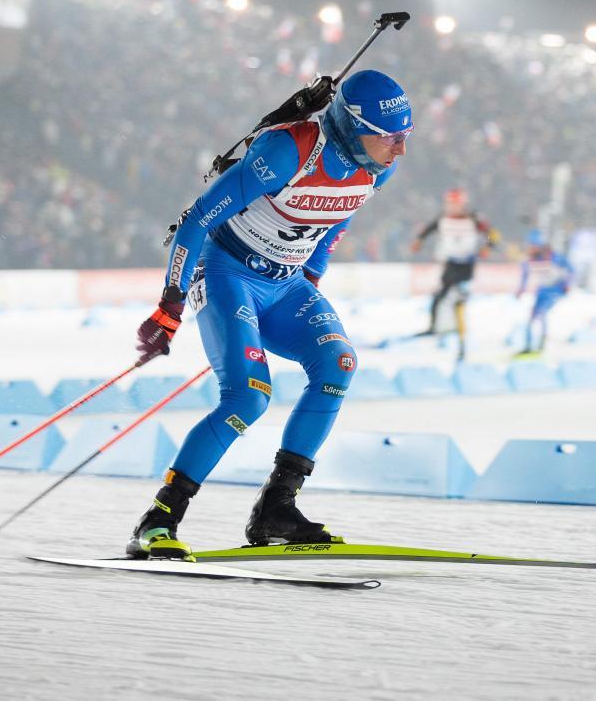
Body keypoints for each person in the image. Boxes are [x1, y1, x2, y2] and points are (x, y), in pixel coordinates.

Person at [127, 70, 413, 559]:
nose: (400, 149)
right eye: (389, 137)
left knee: (339, 365)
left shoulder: (377, 167)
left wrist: (311, 281)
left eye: (405, 136)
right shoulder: (288, 152)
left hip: (285, 285)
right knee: (248, 399)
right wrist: (169, 306)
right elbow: (197, 221)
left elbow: (335, 220)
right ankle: (158, 520)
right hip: (227, 273)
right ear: (352, 125)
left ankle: (276, 509)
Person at [410, 187, 499, 360]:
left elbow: (492, 234)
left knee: (459, 302)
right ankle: (433, 327)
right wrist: (418, 241)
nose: (451, 207)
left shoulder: (474, 218)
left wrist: (487, 247)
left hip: (467, 265)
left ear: (462, 204)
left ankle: (462, 341)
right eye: (449, 204)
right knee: (439, 296)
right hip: (451, 263)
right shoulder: (443, 218)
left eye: (454, 204)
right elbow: (426, 231)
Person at [514, 229, 574, 356]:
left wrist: (567, 284)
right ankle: (528, 346)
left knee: (542, 314)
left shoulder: (553, 257)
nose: (530, 248)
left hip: (555, 291)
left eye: (533, 245)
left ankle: (541, 346)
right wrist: (521, 290)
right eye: (529, 245)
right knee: (531, 317)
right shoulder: (529, 261)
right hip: (542, 292)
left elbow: (570, 269)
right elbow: (525, 275)